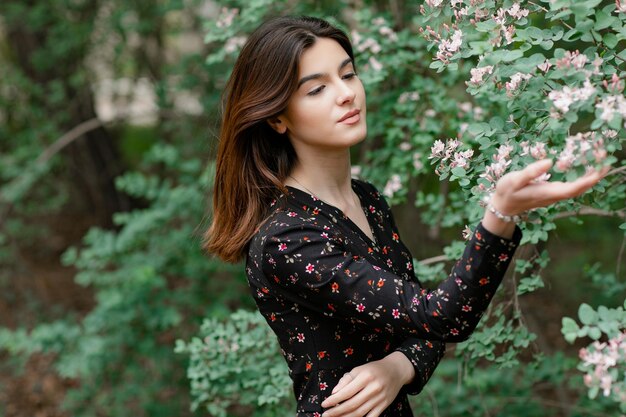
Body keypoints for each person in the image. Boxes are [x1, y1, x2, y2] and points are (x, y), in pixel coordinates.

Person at [205, 15, 606, 417]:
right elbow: (441, 317)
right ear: (277, 117)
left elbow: (423, 324)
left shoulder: (367, 199)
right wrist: (500, 214)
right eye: (317, 89)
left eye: (349, 75)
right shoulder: (286, 238)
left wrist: (398, 367)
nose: (346, 94)